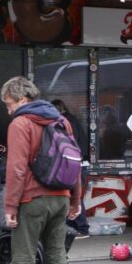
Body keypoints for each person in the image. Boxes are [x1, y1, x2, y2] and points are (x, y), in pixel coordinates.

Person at [0, 76, 82, 264]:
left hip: (32, 199)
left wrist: (10, 206)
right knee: (56, 256)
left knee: (22, 259)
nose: (8, 110)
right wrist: (76, 199)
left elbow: (17, 168)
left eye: (9, 104)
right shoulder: (61, 120)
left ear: (22, 99)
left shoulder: (21, 123)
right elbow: (74, 160)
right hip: (61, 197)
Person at [51, 100, 90, 238]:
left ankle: (82, 228)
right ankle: (77, 227)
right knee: (73, 195)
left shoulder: (65, 123)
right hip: (79, 163)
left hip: (73, 164)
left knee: (74, 196)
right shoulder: (71, 120)